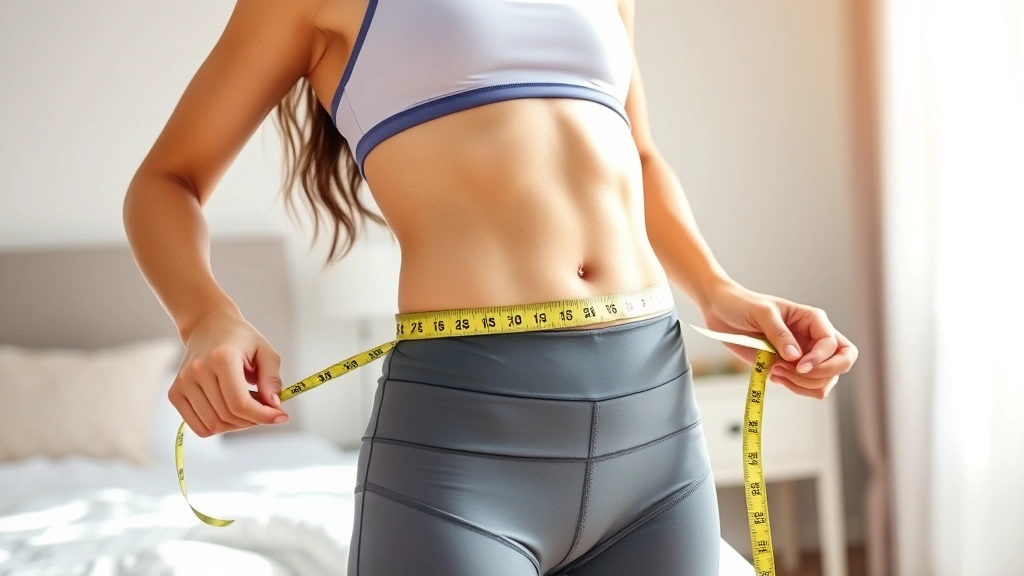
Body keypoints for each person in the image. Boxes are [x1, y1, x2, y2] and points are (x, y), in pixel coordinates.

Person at [123, 0, 859, 574]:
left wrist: (718, 289)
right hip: (465, 456)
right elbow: (166, 181)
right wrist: (205, 317)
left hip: (656, 429)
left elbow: (636, 152)